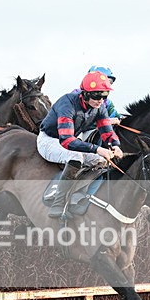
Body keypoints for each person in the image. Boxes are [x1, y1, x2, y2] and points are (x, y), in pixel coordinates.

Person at [38, 70, 123, 218]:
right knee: (77, 157)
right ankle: (58, 203)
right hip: (49, 140)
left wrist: (115, 145)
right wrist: (98, 149)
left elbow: (106, 131)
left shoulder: (100, 107)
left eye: (104, 96)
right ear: (85, 94)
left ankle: (78, 197)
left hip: (69, 140)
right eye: (97, 96)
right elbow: (66, 140)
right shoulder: (67, 104)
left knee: (101, 161)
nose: (100, 100)